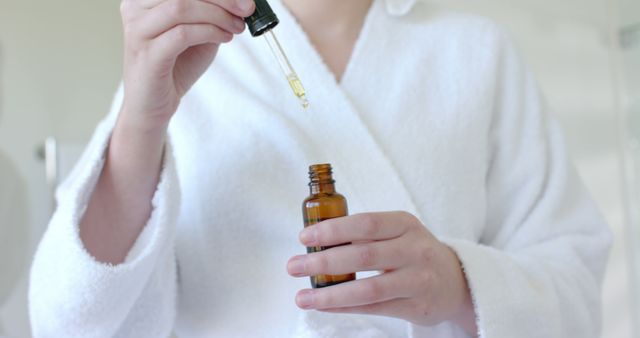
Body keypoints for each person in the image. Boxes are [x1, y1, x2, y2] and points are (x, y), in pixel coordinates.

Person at [28, 0, 612, 337]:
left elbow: (578, 297)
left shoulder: (475, 52)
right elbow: (70, 320)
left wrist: (459, 283)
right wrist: (141, 116)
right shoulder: (189, 58)